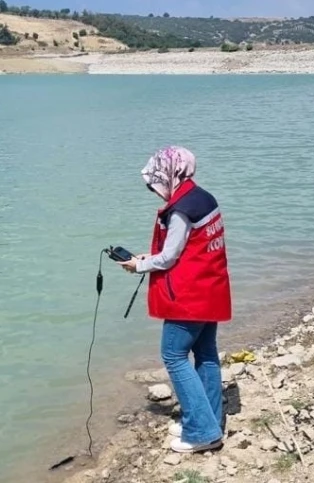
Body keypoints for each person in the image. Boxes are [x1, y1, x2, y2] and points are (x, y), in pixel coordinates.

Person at [118, 146, 232, 454]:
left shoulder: (181, 209)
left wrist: (138, 264)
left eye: (155, 182)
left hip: (189, 296)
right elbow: (186, 248)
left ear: (171, 174)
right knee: (206, 353)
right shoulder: (204, 198)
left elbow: (169, 257)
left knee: (174, 356)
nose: (155, 190)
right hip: (210, 290)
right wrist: (147, 257)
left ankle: (201, 432)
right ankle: (209, 420)